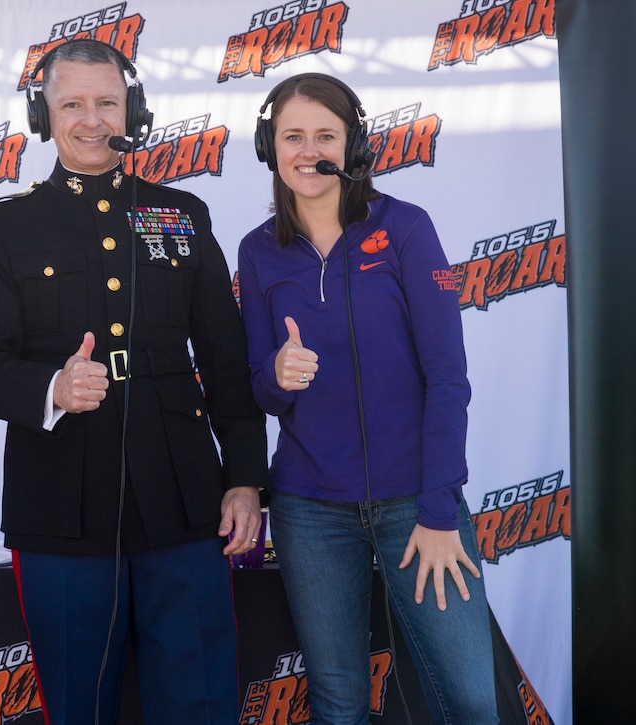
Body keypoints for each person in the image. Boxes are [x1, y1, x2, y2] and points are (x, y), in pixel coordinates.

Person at [0, 39, 268, 725]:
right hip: (60, 509)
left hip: (186, 503)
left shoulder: (180, 214)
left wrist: (246, 476)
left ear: (134, 109)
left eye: (107, 102)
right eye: (72, 104)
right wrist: (52, 389)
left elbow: (224, 357)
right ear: (45, 116)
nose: (92, 119)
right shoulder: (4, 227)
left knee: (200, 699)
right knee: (79, 703)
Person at [237, 72, 498, 724]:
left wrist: (439, 507)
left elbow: (448, 377)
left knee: (469, 697)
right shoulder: (257, 250)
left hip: (418, 502)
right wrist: (278, 371)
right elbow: (260, 391)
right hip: (310, 511)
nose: (307, 149)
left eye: (325, 134)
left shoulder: (406, 228)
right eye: (291, 135)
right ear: (270, 147)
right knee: (339, 701)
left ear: (354, 146)